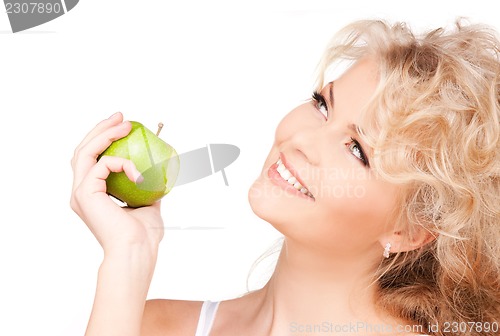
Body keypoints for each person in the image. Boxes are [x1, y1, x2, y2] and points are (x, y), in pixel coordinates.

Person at [70, 19, 500, 336]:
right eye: (322, 105)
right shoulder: (152, 325)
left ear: (409, 230)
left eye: (357, 149)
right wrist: (128, 257)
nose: (302, 140)